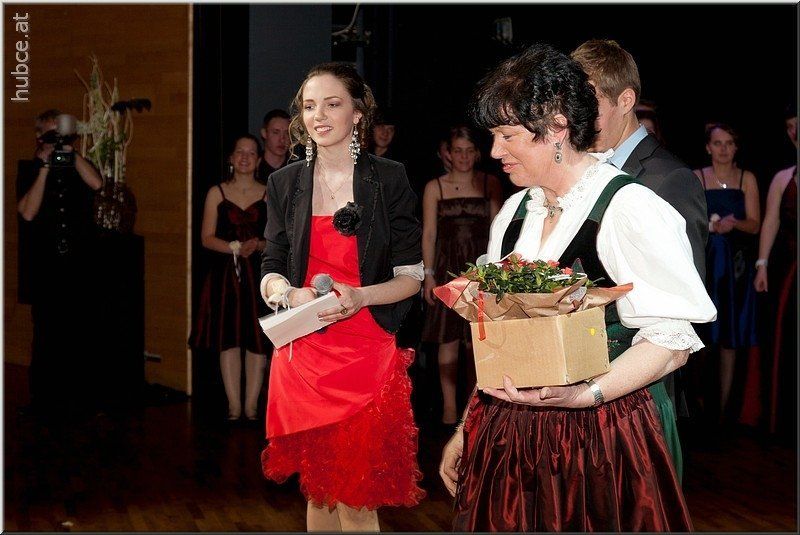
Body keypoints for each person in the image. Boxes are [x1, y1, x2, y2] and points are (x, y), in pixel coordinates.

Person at [439, 43, 716, 531]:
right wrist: (468, 425)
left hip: (602, 438)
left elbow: (671, 342)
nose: (495, 151)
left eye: (507, 135)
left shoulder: (630, 208)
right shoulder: (513, 214)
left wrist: (585, 395)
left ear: (558, 129)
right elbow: (498, 338)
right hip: (512, 436)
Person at [258, 62, 425, 531]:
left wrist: (360, 297)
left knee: (357, 498)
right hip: (306, 355)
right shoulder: (284, 183)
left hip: (366, 349)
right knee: (320, 493)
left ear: (358, 113)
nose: (319, 116)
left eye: (332, 104)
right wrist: (286, 293)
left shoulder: (388, 178)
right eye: (310, 106)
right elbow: (271, 268)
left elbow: (411, 276)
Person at [571, 39, 709, 477]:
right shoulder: (579, 171)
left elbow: (684, 304)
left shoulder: (670, 178)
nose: (576, 117)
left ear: (625, 100)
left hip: (639, 390)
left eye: (588, 102)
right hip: (576, 374)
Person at [17, 109, 103, 415]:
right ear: (40, 136)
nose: (56, 140)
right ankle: (43, 400)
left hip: (78, 263)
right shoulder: (29, 168)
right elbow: (28, 212)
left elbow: (97, 184)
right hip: (46, 265)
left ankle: (78, 398)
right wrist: (44, 167)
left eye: (61, 133)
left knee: (78, 330)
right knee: (46, 333)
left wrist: (70, 152)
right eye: (51, 134)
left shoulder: (76, 164)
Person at [420, 125, 502, 428]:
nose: (464, 156)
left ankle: (474, 408)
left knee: (476, 340)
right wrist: (428, 275)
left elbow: (498, 229)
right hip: (446, 269)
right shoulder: (435, 187)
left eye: (469, 151)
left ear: (477, 153)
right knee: (448, 337)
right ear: (448, 153)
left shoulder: (490, 182)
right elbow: (429, 234)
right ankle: (449, 409)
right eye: (458, 151)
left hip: (479, 270)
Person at [189, 134, 270, 421]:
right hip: (226, 278)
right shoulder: (217, 192)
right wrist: (235, 247)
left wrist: (258, 245)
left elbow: (278, 239)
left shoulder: (269, 192)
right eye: (240, 152)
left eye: (251, 153)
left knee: (257, 339)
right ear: (231, 158)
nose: (245, 157)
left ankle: (251, 407)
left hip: (259, 276)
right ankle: (234, 406)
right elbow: (206, 238)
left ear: (259, 160)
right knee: (229, 338)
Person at [693, 123, 760, 426]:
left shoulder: (747, 178)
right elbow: (687, 221)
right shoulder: (697, 176)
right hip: (705, 268)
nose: (724, 149)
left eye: (729, 143)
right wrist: (710, 226)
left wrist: (734, 223)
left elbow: (755, 224)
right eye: (718, 143)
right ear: (708, 147)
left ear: (736, 147)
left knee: (730, 336)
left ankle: (723, 413)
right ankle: (700, 404)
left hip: (735, 270)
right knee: (703, 335)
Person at [753, 105, 797, 438]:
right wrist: (762, 264)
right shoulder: (784, 178)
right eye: (790, 126)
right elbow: (770, 221)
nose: (795, 132)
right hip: (791, 272)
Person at [258, 109, 291, 180]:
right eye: (276, 132)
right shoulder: (254, 167)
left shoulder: (296, 168)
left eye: (287, 133)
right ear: (264, 133)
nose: (282, 139)